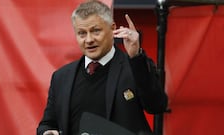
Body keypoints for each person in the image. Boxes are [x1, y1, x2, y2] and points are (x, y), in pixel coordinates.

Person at [37, 0, 168, 135]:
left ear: (112, 28)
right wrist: (47, 132)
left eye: (96, 31)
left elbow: (157, 105)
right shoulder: (61, 77)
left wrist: (136, 57)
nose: (89, 40)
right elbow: (47, 123)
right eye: (82, 33)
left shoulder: (134, 66)